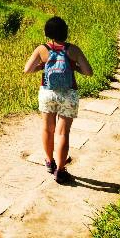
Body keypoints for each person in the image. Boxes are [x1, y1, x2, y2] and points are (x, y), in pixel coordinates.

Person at [23, 16, 93, 184]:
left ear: (48, 32)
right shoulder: (73, 49)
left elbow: (27, 70)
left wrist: (42, 66)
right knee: (63, 133)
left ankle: (49, 162)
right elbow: (89, 72)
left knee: (48, 129)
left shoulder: (42, 49)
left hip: (48, 92)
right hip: (68, 94)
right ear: (65, 31)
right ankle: (60, 171)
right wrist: (74, 67)